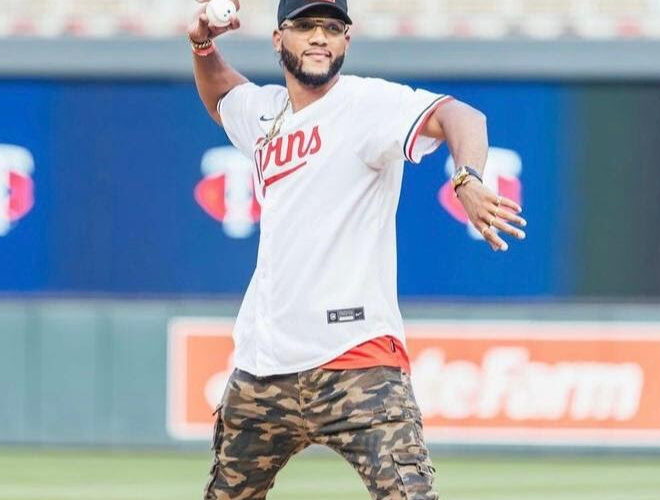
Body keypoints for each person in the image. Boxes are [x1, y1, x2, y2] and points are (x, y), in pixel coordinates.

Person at [187, 1, 527, 498]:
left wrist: (467, 177)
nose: (319, 37)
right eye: (305, 26)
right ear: (279, 39)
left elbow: (460, 114)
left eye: (332, 27)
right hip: (263, 371)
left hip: (358, 366)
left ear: (347, 39)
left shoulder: (368, 104)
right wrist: (202, 45)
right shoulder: (264, 113)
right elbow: (221, 95)